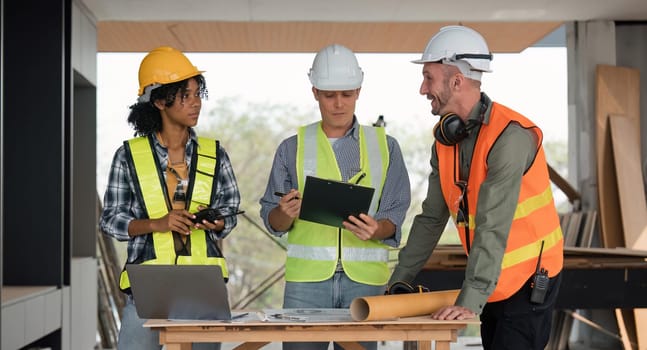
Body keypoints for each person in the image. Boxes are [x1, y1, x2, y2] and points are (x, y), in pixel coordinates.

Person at [388, 25, 564, 350]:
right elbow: (430, 219)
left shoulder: (510, 137)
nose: (422, 88)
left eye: (429, 77)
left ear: (456, 81)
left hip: (528, 281)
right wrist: (400, 280)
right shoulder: (446, 141)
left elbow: (492, 224)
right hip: (493, 280)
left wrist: (470, 300)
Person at [259, 43, 411, 350]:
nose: (338, 104)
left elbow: (395, 214)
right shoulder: (292, 147)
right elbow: (271, 218)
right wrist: (284, 213)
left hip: (364, 280)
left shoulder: (386, 146)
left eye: (346, 94)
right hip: (306, 282)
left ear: (358, 90)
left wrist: (377, 229)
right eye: (329, 95)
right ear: (315, 92)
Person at [99, 46, 241, 350]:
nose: (196, 103)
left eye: (197, 94)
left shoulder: (215, 155)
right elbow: (110, 221)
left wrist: (216, 222)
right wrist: (158, 223)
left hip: (203, 287)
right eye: (185, 95)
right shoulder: (129, 156)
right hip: (148, 288)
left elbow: (230, 212)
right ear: (161, 100)